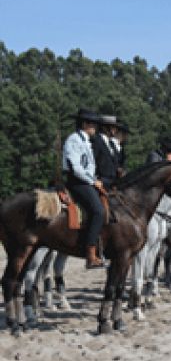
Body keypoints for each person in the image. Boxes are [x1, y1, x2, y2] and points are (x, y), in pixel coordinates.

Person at [62, 108, 105, 269]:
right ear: (85, 124)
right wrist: (93, 181)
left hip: (86, 180)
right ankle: (91, 254)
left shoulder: (85, 140)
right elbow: (76, 167)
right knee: (98, 211)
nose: (95, 128)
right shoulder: (74, 139)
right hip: (77, 181)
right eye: (93, 124)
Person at [91, 115, 119, 190]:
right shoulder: (96, 141)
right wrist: (95, 179)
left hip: (114, 182)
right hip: (101, 181)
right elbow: (92, 161)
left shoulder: (112, 144)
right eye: (113, 127)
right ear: (104, 128)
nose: (115, 130)